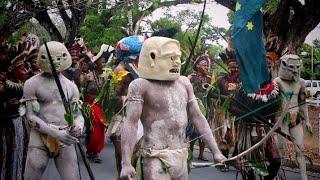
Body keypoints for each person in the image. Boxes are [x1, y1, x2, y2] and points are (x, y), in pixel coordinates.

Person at [120, 37, 226, 180]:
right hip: (155, 157)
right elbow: (131, 123)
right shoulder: (140, 85)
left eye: (177, 57)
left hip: (181, 155)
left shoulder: (184, 83)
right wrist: (126, 163)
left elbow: (198, 117)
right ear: (152, 57)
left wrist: (216, 151)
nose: (176, 62)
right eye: (171, 58)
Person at [23, 41, 84, 179]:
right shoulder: (32, 84)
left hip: (65, 136)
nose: (55, 62)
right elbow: (31, 117)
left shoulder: (71, 86)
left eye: (59, 58)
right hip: (40, 137)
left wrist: (79, 125)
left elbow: (77, 114)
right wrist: (54, 133)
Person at [274, 54, 312, 180]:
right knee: (280, 149)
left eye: (297, 67)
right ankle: (277, 174)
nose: (295, 70)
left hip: (296, 119)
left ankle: (304, 176)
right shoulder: (277, 81)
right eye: (291, 67)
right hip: (281, 119)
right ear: (284, 65)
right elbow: (272, 103)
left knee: (300, 148)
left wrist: (307, 121)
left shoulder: (301, 82)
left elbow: (303, 102)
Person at [83, 46, 109, 163]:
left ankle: (95, 151)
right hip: (89, 104)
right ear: (97, 64)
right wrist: (85, 82)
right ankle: (92, 151)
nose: (104, 64)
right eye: (102, 62)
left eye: (105, 62)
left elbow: (108, 93)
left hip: (100, 105)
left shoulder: (107, 76)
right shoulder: (89, 75)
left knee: (101, 126)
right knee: (94, 128)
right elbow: (82, 91)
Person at [187, 52, 212, 161]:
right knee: (193, 129)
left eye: (207, 65)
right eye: (204, 65)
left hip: (205, 105)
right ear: (198, 66)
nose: (206, 67)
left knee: (204, 129)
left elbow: (211, 92)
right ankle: (190, 151)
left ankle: (201, 154)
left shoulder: (209, 78)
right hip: (194, 104)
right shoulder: (191, 77)